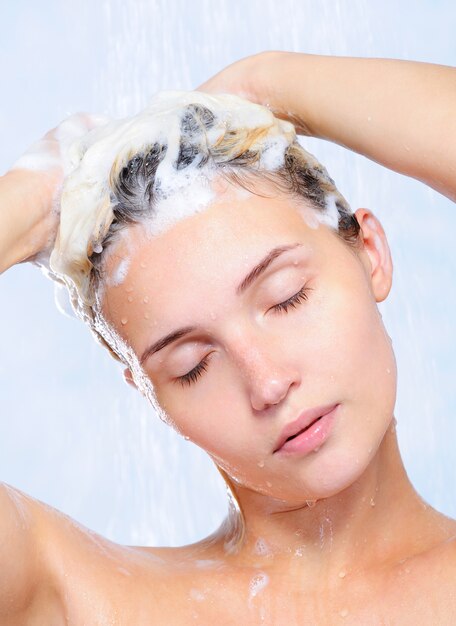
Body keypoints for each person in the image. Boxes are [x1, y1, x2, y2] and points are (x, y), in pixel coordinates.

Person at [1, 51, 455, 625]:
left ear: (370, 254)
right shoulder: (73, 598)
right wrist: (22, 206)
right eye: (192, 365)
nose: (267, 383)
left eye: (286, 297)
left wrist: (270, 81)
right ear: (148, 394)